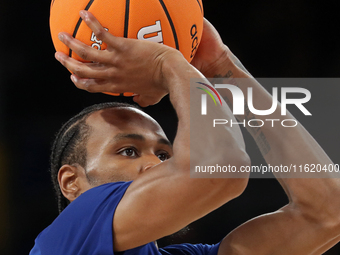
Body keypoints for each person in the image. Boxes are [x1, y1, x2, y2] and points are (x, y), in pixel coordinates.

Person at [30, 10, 340, 255]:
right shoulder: (65, 240)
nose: (157, 164)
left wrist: (222, 66)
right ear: (73, 183)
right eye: (128, 150)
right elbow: (220, 167)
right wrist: (167, 62)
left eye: (165, 154)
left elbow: (327, 212)